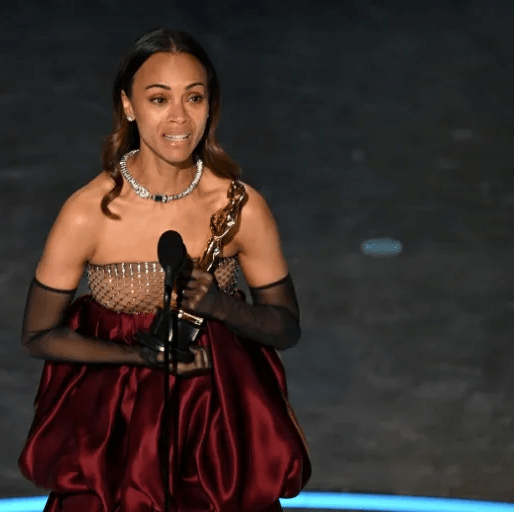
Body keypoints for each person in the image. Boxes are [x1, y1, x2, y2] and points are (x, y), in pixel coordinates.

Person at [18, 28, 310, 512]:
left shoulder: (239, 207)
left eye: (194, 98)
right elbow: (39, 335)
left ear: (210, 106)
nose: (179, 117)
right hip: (117, 437)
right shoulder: (88, 213)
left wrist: (218, 305)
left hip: (216, 434)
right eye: (159, 99)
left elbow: (285, 327)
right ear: (128, 106)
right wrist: (138, 357)